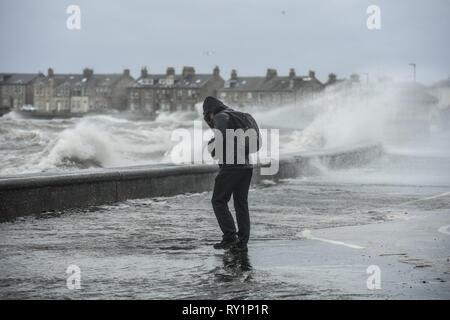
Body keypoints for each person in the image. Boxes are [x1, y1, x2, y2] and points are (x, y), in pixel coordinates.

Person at [203, 96, 254, 252]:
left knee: (218, 201)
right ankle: (242, 241)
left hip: (231, 166)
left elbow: (222, 138)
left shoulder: (220, 117)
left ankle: (230, 237)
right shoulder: (236, 115)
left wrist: (212, 148)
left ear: (210, 112)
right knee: (241, 204)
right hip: (246, 165)